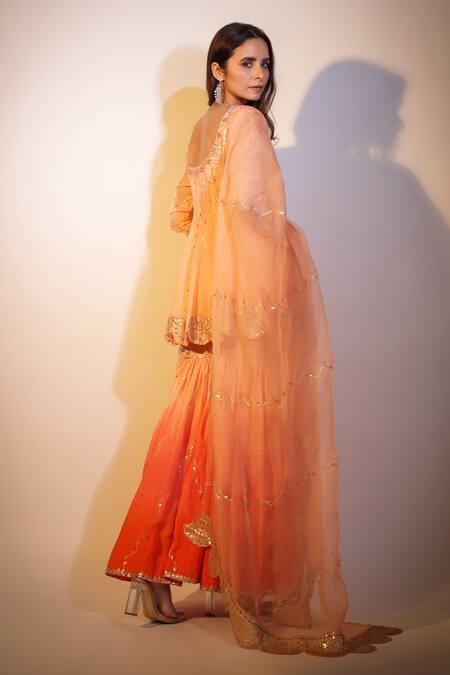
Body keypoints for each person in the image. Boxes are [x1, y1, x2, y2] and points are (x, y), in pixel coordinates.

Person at [105, 22, 402, 655]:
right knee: (233, 441)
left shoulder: (203, 125)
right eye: (246, 63)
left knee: (192, 436)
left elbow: (184, 215)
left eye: (265, 63)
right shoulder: (246, 125)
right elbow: (255, 220)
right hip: (239, 305)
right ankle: (213, 579)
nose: (260, 74)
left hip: (200, 301)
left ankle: (163, 574)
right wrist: (284, 254)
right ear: (218, 69)